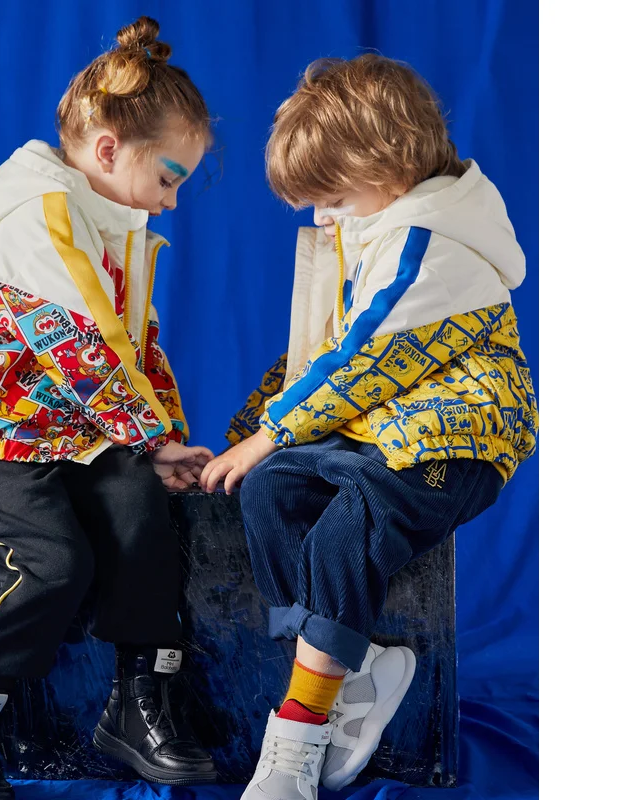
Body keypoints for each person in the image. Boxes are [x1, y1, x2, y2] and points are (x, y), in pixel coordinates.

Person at [201, 53, 538, 799]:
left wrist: (268, 431)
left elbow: (360, 363)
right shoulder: (384, 231)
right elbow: (320, 352)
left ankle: (298, 733)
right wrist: (250, 440)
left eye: (335, 199)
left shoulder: (431, 246)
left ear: (389, 166)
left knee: (347, 528)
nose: (324, 219)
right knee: (268, 488)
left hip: (457, 437)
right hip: (384, 432)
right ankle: (350, 670)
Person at [0, 16, 218, 799]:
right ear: (109, 151)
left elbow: (136, 349)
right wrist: (150, 438)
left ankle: (139, 699)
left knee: (144, 511)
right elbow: (83, 349)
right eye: (169, 178)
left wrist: (162, 445)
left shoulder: (114, 228)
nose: (172, 202)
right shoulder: (42, 217)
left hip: (69, 429)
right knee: (53, 562)